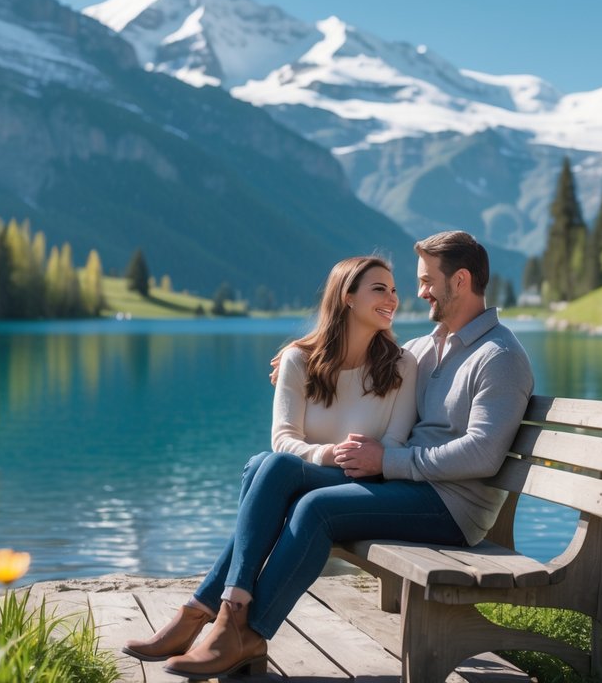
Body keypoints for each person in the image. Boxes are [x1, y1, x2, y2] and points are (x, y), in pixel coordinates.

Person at [158, 230, 534, 680]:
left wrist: (388, 462)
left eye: (427, 281)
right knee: (270, 466)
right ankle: (218, 612)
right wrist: (299, 356)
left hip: (453, 507)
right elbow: (357, 355)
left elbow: (484, 454)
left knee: (315, 508)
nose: (418, 292)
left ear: (460, 281)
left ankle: (246, 631)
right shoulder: (427, 348)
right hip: (407, 487)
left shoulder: (499, 356)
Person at [122, 255, 418, 673]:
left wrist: (366, 459)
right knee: (269, 462)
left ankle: (210, 609)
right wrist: (327, 454)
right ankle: (228, 621)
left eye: (394, 289)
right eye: (379, 289)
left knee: (266, 467)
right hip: (309, 475)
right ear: (347, 297)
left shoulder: (403, 365)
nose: (393, 298)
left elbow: (395, 441)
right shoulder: (298, 359)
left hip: (363, 486)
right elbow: (284, 440)